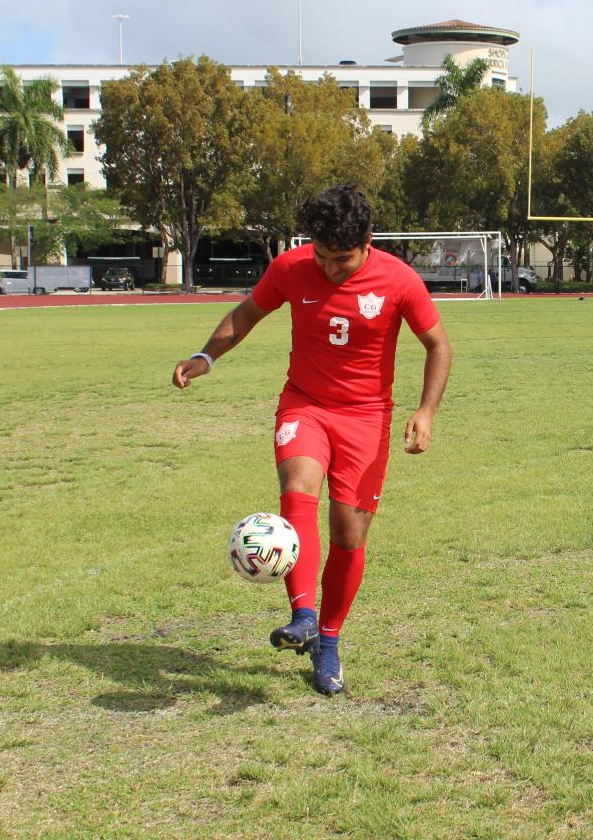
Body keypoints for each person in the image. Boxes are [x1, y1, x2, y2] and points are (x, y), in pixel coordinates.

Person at [171, 184, 451, 696]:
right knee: (298, 485)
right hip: (305, 404)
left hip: (367, 419)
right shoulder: (291, 267)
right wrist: (205, 356)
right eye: (321, 256)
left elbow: (437, 344)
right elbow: (245, 314)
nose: (329, 268)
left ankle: (327, 641)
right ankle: (302, 614)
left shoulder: (398, 280)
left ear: (367, 241)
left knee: (348, 535)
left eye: (341, 259)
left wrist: (426, 411)